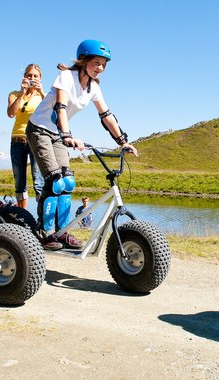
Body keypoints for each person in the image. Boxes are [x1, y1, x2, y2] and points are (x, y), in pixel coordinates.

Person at [26, 39, 138, 250]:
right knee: (54, 181)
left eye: (104, 64)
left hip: (58, 133)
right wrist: (68, 135)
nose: (100, 68)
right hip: (39, 129)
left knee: (67, 182)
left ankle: (61, 232)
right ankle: (43, 233)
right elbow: (60, 106)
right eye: (96, 63)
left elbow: (106, 115)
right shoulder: (66, 76)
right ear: (84, 60)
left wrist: (123, 142)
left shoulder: (93, 87)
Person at [7, 64, 46, 209]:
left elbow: (52, 112)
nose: (32, 78)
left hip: (35, 139)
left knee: (38, 180)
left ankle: (42, 220)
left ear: (40, 78)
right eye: (29, 75)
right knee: (20, 182)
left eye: (35, 76)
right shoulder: (14, 94)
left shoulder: (43, 96)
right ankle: (23, 218)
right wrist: (23, 93)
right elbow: (11, 113)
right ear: (24, 76)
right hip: (17, 139)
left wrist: (41, 92)